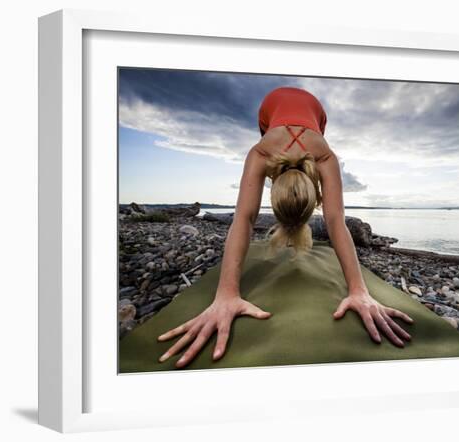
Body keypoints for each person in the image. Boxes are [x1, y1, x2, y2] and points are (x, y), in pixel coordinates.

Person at [157, 86, 414, 368]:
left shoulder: (301, 154)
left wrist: (359, 291)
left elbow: (245, 217)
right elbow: (334, 220)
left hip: (314, 114)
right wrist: (225, 295)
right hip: (272, 112)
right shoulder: (284, 152)